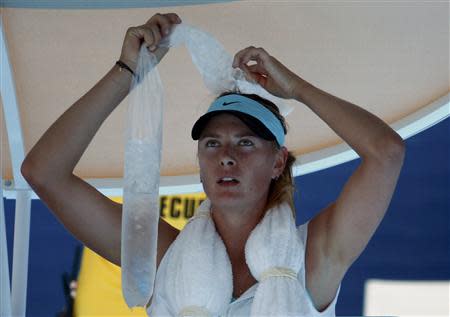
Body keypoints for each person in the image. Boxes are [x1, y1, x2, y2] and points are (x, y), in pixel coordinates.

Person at [21, 13, 406, 316]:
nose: (226, 155)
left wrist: (297, 89)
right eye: (211, 143)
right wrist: (127, 70)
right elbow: (44, 173)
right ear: (200, 162)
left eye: (245, 142)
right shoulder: (159, 255)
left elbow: (386, 153)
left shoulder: (315, 256)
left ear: (278, 162)